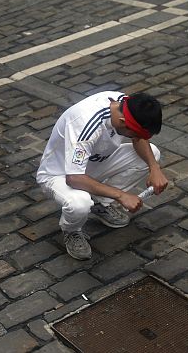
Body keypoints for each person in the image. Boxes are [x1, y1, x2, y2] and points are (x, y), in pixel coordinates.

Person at [36, 92, 167, 260]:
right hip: (60, 175)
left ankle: (100, 204)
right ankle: (72, 231)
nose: (135, 138)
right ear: (122, 122)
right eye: (133, 133)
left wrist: (154, 168)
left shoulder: (126, 104)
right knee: (79, 203)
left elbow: (138, 139)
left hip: (90, 166)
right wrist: (122, 196)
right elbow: (74, 178)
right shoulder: (85, 122)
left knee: (152, 155)